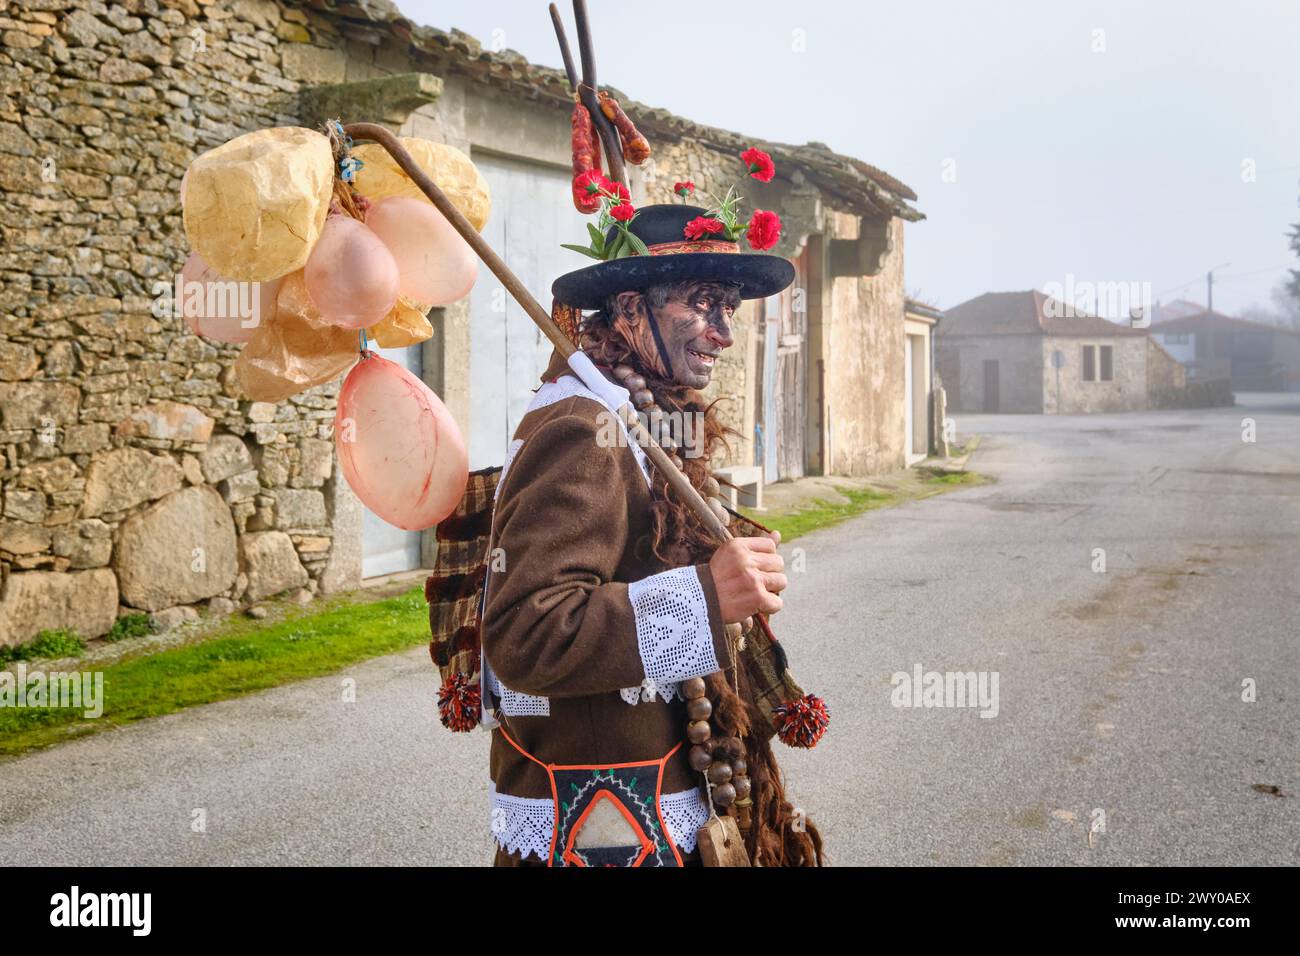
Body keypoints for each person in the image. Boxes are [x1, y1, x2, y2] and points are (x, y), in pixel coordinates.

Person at [477, 203, 822, 867]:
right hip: (605, 821)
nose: (723, 333)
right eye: (702, 305)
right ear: (630, 311)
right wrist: (704, 596)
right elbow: (525, 631)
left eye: (730, 309)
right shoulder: (584, 430)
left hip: (656, 792)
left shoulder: (646, 418)